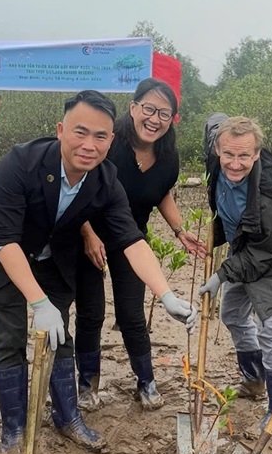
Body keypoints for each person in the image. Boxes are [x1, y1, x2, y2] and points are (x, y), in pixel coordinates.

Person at [0, 89, 196, 454]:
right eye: (80, 132)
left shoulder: (105, 179)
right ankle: (13, 430)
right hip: (7, 257)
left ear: (111, 140)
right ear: (61, 129)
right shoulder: (20, 163)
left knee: (61, 335)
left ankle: (68, 418)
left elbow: (131, 239)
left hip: (55, 259)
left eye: (100, 136)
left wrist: (165, 296)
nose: (89, 145)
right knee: (10, 338)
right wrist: (38, 302)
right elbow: (4, 239)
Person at [75, 79, 206, 412]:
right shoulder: (110, 145)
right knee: (91, 314)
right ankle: (87, 383)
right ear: (133, 109)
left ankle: (146, 381)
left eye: (164, 113)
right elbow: (78, 186)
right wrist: (87, 232)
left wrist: (179, 230)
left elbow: (160, 192)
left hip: (131, 239)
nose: (154, 118)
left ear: (172, 119)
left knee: (131, 314)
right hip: (87, 234)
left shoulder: (167, 157)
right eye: (148, 108)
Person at [198, 115, 272, 435]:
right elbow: (214, 124)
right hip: (243, 249)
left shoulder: (271, 193)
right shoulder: (218, 162)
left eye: (244, 156)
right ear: (217, 148)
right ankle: (254, 378)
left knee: (270, 327)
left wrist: (220, 276)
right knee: (232, 313)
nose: (235, 163)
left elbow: (263, 252)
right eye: (228, 154)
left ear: (257, 154)